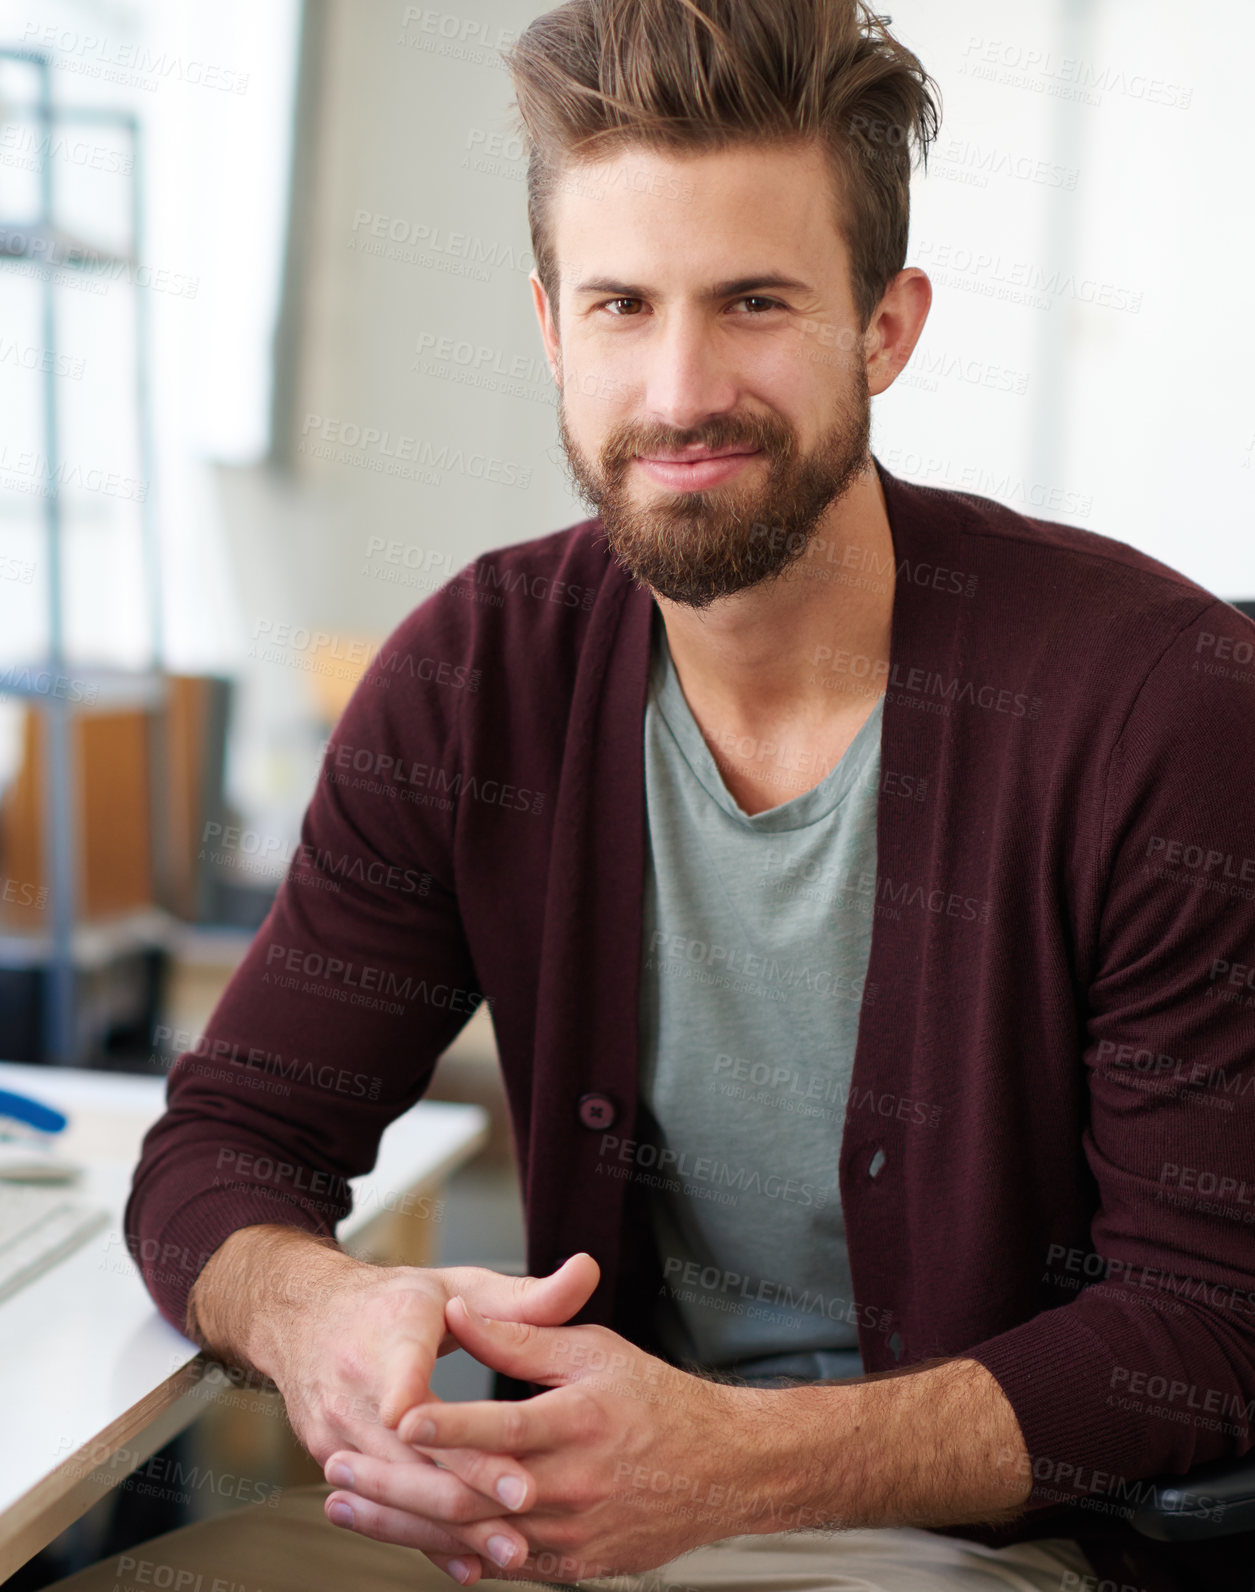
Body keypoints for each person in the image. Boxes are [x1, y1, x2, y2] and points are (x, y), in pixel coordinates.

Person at [51, 0, 1255, 1588]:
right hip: (557, 1522)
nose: (680, 390)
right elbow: (227, 1138)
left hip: (976, 1547)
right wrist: (317, 1310)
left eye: (754, 302)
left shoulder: (1159, 701)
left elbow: (1211, 1321)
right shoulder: (477, 675)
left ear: (885, 327)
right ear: (553, 326)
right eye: (622, 305)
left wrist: (731, 1466)